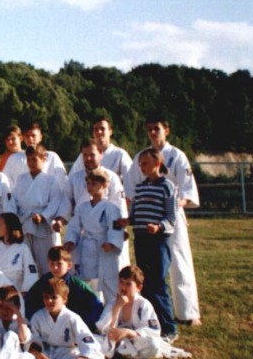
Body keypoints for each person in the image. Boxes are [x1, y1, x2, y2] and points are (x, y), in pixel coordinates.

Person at [124, 115, 202, 326]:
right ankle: (152, 313)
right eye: (149, 129)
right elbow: (131, 189)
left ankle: (188, 312)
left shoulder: (177, 156)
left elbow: (186, 189)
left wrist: (176, 205)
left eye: (156, 128)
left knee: (180, 261)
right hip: (147, 219)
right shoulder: (141, 157)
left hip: (170, 214)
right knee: (150, 268)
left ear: (166, 130)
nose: (152, 132)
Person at [128, 147, 179, 342]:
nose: (142, 167)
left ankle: (169, 328)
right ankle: (150, 324)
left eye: (145, 163)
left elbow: (171, 217)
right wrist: (127, 221)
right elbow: (135, 214)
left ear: (157, 163)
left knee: (158, 283)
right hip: (140, 239)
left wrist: (158, 227)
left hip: (157, 241)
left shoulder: (167, 186)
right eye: (140, 164)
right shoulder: (140, 187)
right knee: (144, 283)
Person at [21, 278, 104, 359]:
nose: (49, 301)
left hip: (66, 355)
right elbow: (31, 343)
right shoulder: (38, 317)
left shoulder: (72, 318)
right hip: (45, 354)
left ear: (64, 299)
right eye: (46, 297)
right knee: (22, 358)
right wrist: (42, 358)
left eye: (53, 297)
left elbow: (90, 345)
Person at [63, 168, 125, 305]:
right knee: (88, 281)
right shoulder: (82, 207)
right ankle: (91, 309)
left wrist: (112, 243)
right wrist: (70, 241)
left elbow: (116, 227)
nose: (90, 187)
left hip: (104, 248)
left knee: (108, 281)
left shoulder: (111, 208)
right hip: (86, 247)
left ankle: (111, 310)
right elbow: (74, 226)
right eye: (88, 184)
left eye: (94, 184)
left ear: (105, 185)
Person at [95, 265, 163, 359]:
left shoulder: (143, 304)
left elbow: (152, 330)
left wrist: (128, 332)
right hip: (114, 343)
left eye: (128, 284)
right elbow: (102, 329)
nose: (123, 287)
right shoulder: (113, 303)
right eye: (121, 282)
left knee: (153, 344)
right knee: (91, 340)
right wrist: (117, 307)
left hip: (134, 341)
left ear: (139, 288)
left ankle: (117, 358)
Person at [24, 246, 103, 332]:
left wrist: (83, 326)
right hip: (47, 329)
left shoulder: (78, 285)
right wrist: (38, 322)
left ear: (69, 265)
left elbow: (97, 307)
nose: (55, 268)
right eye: (52, 264)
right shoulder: (43, 282)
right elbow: (28, 303)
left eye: (59, 264)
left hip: (72, 329)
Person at [13, 144, 63, 276]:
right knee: (27, 263)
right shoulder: (21, 179)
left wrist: (43, 216)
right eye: (28, 159)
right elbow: (15, 200)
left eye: (34, 159)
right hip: (25, 221)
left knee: (45, 262)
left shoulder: (51, 180)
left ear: (44, 158)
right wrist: (18, 217)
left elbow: (55, 202)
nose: (31, 163)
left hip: (42, 225)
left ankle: (49, 285)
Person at [0, 212, 38, 295]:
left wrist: (25, 293)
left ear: (9, 227)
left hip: (16, 291)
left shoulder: (22, 248)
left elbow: (30, 272)